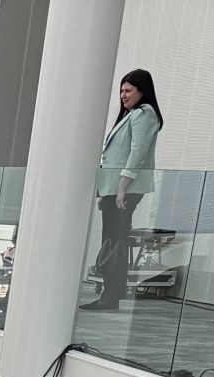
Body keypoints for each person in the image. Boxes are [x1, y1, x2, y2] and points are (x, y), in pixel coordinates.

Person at [86, 70, 161, 311]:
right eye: (121, 90)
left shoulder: (144, 114)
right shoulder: (131, 114)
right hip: (114, 189)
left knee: (115, 240)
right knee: (111, 239)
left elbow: (137, 153)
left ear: (142, 91)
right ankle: (110, 294)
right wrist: (105, 192)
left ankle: (111, 296)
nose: (123, 95)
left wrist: (121, 188)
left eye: (128, 90)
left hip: (125, 189)